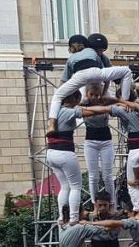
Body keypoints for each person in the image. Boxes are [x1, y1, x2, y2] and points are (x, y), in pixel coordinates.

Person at [46, 91, 127, 225]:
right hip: (64, 152)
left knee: (65, 186)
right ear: (74, 99)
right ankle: (72, 218)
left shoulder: (55, 111)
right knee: (76, 186)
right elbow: (91, 112)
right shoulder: (68, 111)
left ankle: (61, 216)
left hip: (51, 152)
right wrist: (111, 107)